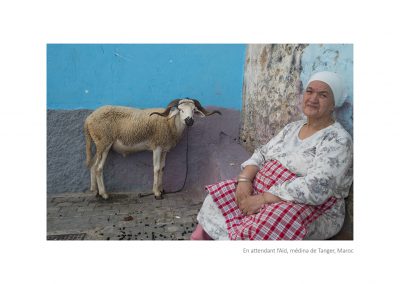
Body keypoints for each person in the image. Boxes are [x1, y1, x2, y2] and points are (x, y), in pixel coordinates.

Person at [191, 71, 353, 240]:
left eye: (323, 95)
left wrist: (263, 199)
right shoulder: (293, 128)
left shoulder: (337, 140)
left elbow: (317, 187)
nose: (313, 98)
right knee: (217, 199)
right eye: (309, 91)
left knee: (271, 223)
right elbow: (262, 153)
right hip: (264, 190)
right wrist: (245, 180)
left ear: (334, 104)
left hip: (307, 206)